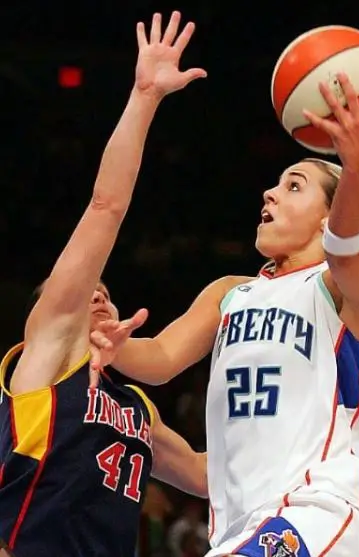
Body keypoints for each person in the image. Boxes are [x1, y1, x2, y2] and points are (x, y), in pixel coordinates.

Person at [89, 71, 359, 556]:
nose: (269, 193)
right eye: (275, 185)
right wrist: (114, 343)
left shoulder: (336, 288)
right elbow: (163, 357)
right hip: (243, 529)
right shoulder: (231, 293)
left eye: (293, 186)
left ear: (326, 217)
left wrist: (357, 167)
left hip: (320, 513)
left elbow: (349, 248)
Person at [0, 11, 208, 557]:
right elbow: (106, 206)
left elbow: (206, 476)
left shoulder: (138, 406)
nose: (96, 291)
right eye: (82, 286)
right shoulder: (49, 351)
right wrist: (144, 97)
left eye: (105, 290)